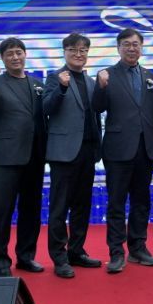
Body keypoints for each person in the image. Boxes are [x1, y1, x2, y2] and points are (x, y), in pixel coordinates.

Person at [92, 28, 153, 274]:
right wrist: (100, 87)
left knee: (142, 201)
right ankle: (116, 252)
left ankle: (138, 247)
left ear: (141, 47)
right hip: (118, 148)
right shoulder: (106, 75)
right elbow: (97, 108)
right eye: (126, 44)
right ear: (118, 48)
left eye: (135, 44)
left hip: (146, 147)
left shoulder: (151, 76)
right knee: (116, 202)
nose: (131, 48)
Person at [0, 37, 46, 277]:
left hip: (34, 157)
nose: (15, 57)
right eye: (9, 54)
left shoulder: (38, 84)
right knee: (2, 212)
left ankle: (26, 257)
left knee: (31, 210)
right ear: (3, 58)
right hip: (5, 158)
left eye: (18, 52)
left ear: (25, 54)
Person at [44, 33, 102, 279]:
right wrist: (61, 88)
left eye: (83, 50)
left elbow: (96, 114)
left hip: (87, 152)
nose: (79, 54)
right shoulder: (54, 77)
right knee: (60, 207)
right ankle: (59, 257)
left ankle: (76, 251)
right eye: (73, 50)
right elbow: (46, 108)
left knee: (82, 205)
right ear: (65, 52)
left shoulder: (91, 81)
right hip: (64, 153)